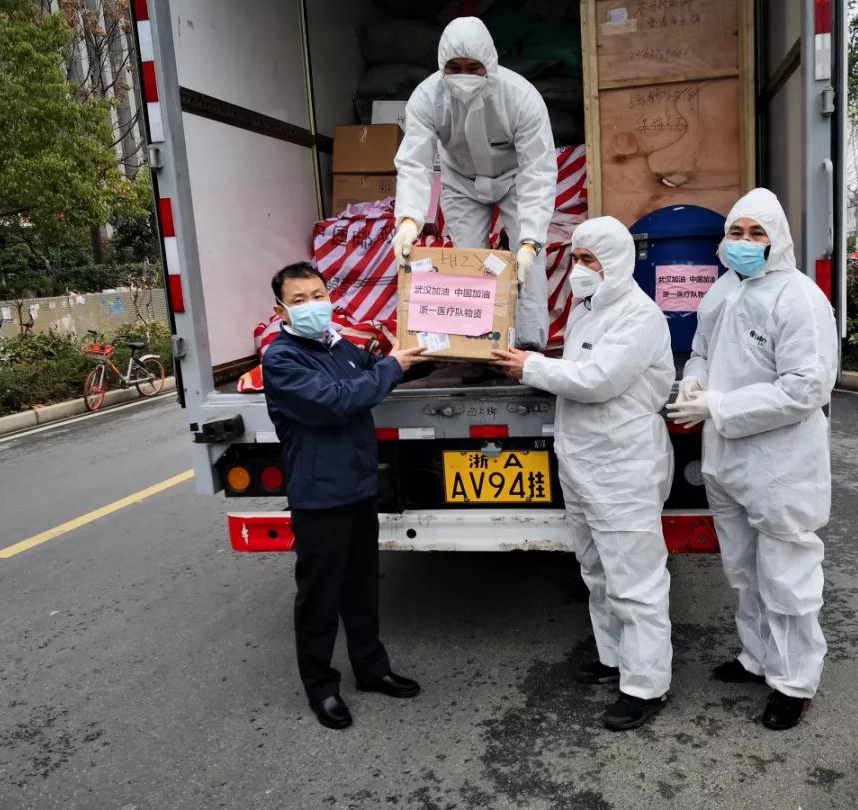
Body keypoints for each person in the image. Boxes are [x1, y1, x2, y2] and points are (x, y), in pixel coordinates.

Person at [492, 217, 676, 731]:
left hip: (623, 466)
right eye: (574, 258)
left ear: (615, 263)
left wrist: (529, 366)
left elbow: (598, 380)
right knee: (596, 569)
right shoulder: (586, 308)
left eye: (589, 259)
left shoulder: (640, 316)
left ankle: (646, 685)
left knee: (635, 579)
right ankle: (613, 657)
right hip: (583, 461)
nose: (578, 269)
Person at [665, 188, 839, 731]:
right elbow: (701, 351)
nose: (744, 242)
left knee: (786, 574)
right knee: (743, 570)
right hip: (727, 458)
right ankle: (758, 656)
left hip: (781, 463)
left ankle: (794, 681)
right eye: (736, 232)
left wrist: (716, 406)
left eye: (756, 233)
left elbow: (806, 388)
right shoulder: (723, 290)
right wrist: (694, 383)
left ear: (777, 239)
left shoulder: (800, 298)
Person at [262, 261, 429, 730]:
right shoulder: (283, 359)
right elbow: (337, 401)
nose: (312, 305)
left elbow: (378, 373)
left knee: (361, 588)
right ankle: (322, 688)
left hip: (357, 486)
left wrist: (436, 348)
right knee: (319, 596)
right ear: (280, 310)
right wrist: (391, 367)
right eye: (299, 300)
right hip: (320, 496)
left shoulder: (338, 346)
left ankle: (371, 669)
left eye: (318, 295)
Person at [392, 16, 557, 351]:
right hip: (461, 181)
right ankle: (477, 346)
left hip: (513, 180)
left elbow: (537, 170)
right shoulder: (426, 97)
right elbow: (414, 161)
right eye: (454, 67)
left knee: (528, 262)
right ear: (442, 65)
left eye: (473, 67)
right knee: (468, 263)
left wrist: (530, 240)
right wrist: (409, 218)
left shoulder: (521, 97)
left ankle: (528, 349)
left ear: (490, 64)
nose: (464, 75)